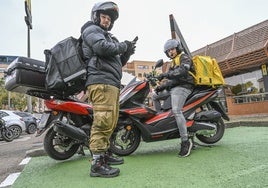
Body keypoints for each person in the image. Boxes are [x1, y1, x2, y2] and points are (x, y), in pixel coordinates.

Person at [81, 1, 136, 177]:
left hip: (110, 82)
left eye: (109, 19)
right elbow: (101, 48)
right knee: (103, 121)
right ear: (96, 17)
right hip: (101, 81)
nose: (106, 21)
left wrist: (126, 52)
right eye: (104, 17)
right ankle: (96, 164)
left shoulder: (106, 35)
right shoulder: (91, 30)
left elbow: (116, 62)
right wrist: (122, 46)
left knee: (110, 122)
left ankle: (103, 154)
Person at [156, 39, 195, 157]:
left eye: (172, 49)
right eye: (168, 51)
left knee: (177, 110)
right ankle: (162, 122)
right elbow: (172, 80)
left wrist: (165, 75)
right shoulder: (172, 63)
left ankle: (185, 141)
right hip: (176, 87)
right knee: (154, 96)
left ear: (177, 48)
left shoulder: (184, 57)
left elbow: (183, 71)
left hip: (185, 86)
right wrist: (161, 86)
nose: (170, 52)